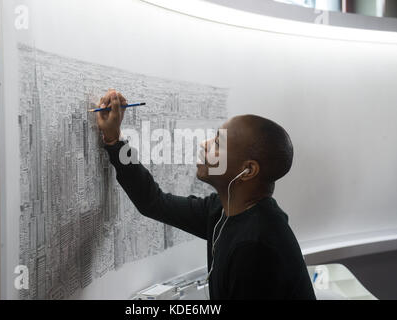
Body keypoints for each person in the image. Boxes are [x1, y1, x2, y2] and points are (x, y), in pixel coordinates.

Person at [95, 89, 316, 300]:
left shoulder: (255, 247)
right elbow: (153, 202)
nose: (204, 144)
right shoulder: (223, 209)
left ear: (248, 171)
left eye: (218, 143)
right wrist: (115, 140)